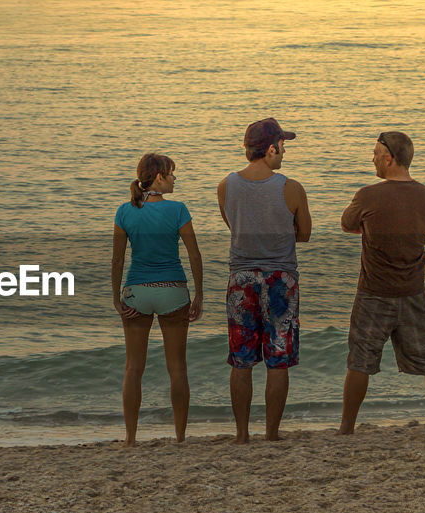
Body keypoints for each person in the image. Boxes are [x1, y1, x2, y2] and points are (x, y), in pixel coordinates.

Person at [339, 131, 425, 434]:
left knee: (360, 360)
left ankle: (347, 427)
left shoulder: (368, 195)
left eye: (375, 153)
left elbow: (347, 224)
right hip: (413, 290)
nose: (372, 158)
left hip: (374, 292)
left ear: (388, 159)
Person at [217, 118, 311, 444]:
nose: (284, 152)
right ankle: (271, 434)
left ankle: (242, 435)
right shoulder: (291, 188)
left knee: (241, 360)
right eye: (282, 146)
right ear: (271, 149)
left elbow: (234, 225)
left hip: (241, 277)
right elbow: (305, 233)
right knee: (278, 359)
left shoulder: (226, 185)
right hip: (280, 278)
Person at [112, 153, 203, 446]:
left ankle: (130, 438)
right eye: (172, 174)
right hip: (173, 291)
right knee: (177, 367)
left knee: (133, 367)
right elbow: (194, 255)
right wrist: (199, 294)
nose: (175, 179)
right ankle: (179, 436)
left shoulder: (124, 212)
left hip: (137, 291)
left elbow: (117, 260)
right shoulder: (178, 210)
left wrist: (116, 298)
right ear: (159, 177)